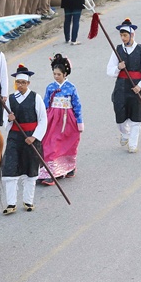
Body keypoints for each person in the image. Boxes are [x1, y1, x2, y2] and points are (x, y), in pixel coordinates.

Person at [2, 64, 47, 214]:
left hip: (31, 137)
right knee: (10, 170)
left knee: (30, 170)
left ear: (28, 83)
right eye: (18, 83)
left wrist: (34, 137)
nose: (20, 85)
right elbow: (4, 121)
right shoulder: (10, 99)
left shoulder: (36, 97)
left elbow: (43, 119)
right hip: (15, 138)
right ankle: (11, 203)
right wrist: (9, 119)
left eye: (23, 83)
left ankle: (28, 201)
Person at [39, 54, 83, 185]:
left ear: (65, 74)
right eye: (54, 74)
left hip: (67, 120)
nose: (56, 76)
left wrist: (79, 122)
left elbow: (77, 105)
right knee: (50, 144)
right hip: (52, 119)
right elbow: (45, 103)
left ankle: (69, 167)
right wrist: (41, 118)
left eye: (58, 74)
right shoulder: (50, 87)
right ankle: (50, 172)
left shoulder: (71, 88)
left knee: (67, 144)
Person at [106, 18, 141, 153]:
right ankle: (124, 133)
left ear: (132, 35)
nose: (123, 38)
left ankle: (133, 143)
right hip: (121, 87)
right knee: (120, 114)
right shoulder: (117, 50)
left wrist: (140, 86)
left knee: (136, 116)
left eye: (125, 35)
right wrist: (118, 67)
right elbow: (109, 70)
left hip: (136, 87)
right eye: (121, 35)